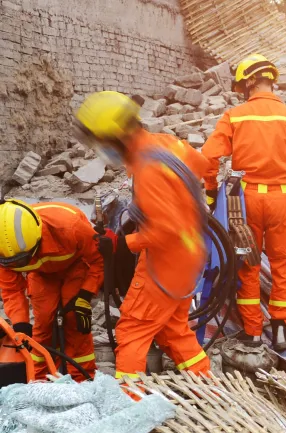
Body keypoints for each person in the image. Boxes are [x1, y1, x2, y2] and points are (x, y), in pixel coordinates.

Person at [75, 90, 211, 380]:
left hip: (165, 261)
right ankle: (208, 388)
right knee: (173, 329)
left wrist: (121, 242)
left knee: (132, 330)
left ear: (116, 138)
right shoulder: (166, 144)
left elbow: (165, 229)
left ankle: (132, 404)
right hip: (189, 255)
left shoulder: (148, 169)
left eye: (101, 143)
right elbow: (202, 165)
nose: (100, 149)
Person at [202, 53, 286, 351]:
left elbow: (209, 157)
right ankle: (281, 329)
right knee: (283, 263)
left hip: (245, 201)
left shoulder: (235, 116)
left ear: (250, 82)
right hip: (282, 198)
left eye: (242, 84)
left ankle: (253, 332)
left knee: (247, 263)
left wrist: (211, 191)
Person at [0, 200, 103, 381]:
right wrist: (20, 325)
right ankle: (39, 378)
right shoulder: (5, 251)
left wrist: (86, 295)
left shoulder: (71, 227)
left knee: (75, 320)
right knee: (42, 321)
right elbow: (12, 290)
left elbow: (97, 260)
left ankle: (82, 379)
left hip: (75, 267)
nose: (18, 265)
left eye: (22, 261)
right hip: (40, 275)